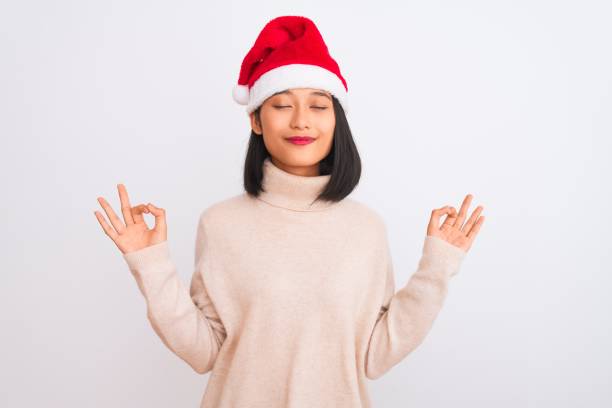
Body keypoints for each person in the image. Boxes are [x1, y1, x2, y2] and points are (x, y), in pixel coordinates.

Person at [94, 15, 485, 408]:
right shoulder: (220, 223)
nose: (301, 120)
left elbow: (375, 356)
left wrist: (436, 268)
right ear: (255, 120)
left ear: (336, 120)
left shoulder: (365, 228)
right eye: (281, 104)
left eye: (318, 105)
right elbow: (205, 353)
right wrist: (151, 264)